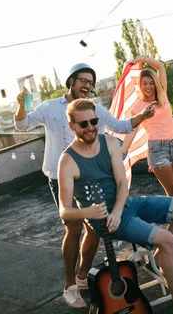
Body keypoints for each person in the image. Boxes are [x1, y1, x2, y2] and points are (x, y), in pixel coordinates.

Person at [14, 63, 156, 308]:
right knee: (74, 228)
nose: (87, 86)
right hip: (61, 177)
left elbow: (121, 127)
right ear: (71, 81)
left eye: (91, 82)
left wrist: (143, 116)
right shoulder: (49, 107)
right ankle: (69, 286)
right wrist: (19, 107)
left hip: (91, 177)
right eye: (83, 80)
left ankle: (83, 278)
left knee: (93, 229)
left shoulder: (95, 110)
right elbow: (22, 124)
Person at [58, 98, 173, 314]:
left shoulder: (110, 143)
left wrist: (117, 209)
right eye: (83, 124)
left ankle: (161, 255)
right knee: (169, 240)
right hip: (105, 220)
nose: (90, 128)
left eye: (93, 121)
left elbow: (122, 182)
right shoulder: (68, 161)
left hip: (125, 205)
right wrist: (88, 212)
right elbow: (64, 210)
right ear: (72, 126)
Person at [124, 56, 173, 242]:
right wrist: (121, 151)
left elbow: (161, 66)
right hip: (157, 150)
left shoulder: (163, 95)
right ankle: (172, 229)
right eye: (144, 84)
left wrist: (141, 58)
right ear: (139, 86)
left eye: (150, 82)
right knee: (172, 193)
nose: (148, 86)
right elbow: (132, 130)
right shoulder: (138, 107)